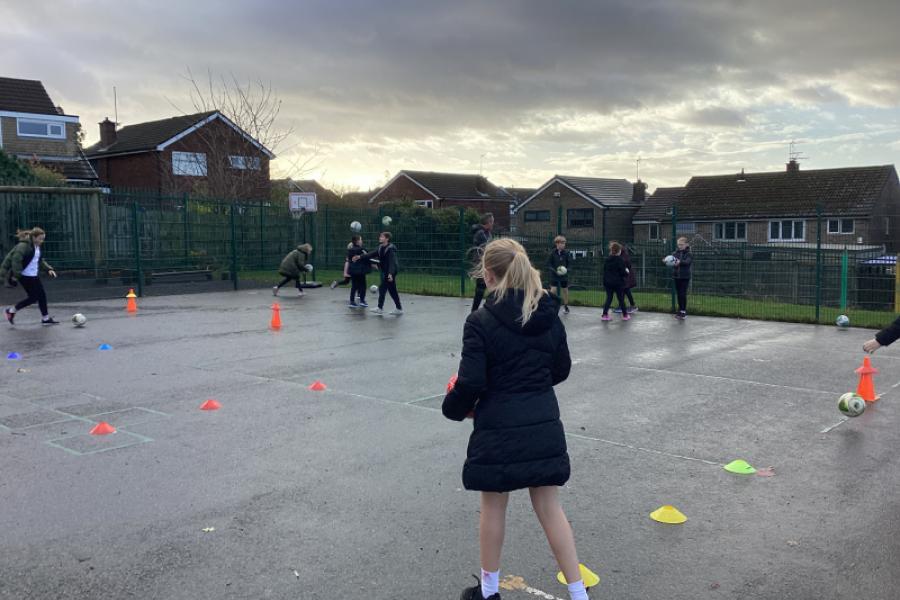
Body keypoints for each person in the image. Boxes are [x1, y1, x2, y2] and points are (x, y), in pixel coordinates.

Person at [443, 238, 589, 600]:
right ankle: (578, 593)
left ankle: (489, 592)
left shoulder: (480, 321)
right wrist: (531, 386)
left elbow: (472, 381)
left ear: (489, 276)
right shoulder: (549, 315)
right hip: (542, 422)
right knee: (550, 507)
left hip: (498, 426)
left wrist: (454, 406)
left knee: (493, 506)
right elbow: (561, 369)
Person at [2, 227, 59, 325]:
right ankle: (11, 311)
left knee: (42, 296)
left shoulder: (36, 246)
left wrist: (48, 269)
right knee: (34, 297)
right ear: (34, 237)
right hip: (24, 276)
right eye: (40, 238)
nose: (42, 241)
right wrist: (16, 275)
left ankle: (45, 318)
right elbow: (16, 260)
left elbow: (39, 261)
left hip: (34, 275)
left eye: (43, 239)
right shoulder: (23, 246)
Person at [355, 232, 402, 315]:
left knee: (382, 288)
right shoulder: (380, 247)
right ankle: (399, 308)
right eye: (380, 236)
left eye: (382, 237)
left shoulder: (390, 249)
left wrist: (390, 274)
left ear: (387, 239)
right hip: (386, 271)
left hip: (391, 272)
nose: (380, 238)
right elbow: (371, 254)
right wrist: (360, 256)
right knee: (392, 290)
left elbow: (392, 262)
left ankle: (380, 308)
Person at [470, 213, 494, 312]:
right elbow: (487, 247)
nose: (493, 224)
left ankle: (479, 310)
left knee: (487, 287)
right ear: (488, 222)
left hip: (486, 262)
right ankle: (474, 311)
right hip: (480, 263)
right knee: (481, 288)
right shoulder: (481, 233)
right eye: (492, 222)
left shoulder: (487, 233)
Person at [601, 241, 629, 321]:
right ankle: (625, 315)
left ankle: (604, 314)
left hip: (608, 282)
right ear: (618, 251)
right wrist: (627, 272)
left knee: (609, 298)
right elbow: (623, 272)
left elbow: (605, 270)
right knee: (620, 299)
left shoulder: (607, 259)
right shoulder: (620, 260)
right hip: (617, 283)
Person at [345, 235, 372, 308]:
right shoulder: (362, 249)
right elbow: (368, 256)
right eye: (360, 239)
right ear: (357, 241)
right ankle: (362, 301)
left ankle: (352, 302)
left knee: (354, 286)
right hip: (360, 271)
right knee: (363, 285)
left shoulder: (350, 250)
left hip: (353, 271)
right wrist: (374, 264)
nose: (361, 241)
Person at [670, 237, 693, 320]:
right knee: (679, 294)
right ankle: (680, 310)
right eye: (679, 244)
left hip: (685, 277)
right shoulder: (675, 253)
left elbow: (687, 262)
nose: (680, 246)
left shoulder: (689, 254)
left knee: (683, 294)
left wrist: (679, 262)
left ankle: (683, 311)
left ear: (686, 245)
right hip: (677, 276)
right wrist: (666, 260)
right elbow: (671, 260)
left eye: (681, 245)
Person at [547, 235, 571, 314]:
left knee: (565, 290)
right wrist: (555, 271)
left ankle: (566, 306)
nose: (564, 244)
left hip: (564, 275)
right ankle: (550, 305)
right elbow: (549, 264)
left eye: (564, 243)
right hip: (555, 274)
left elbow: (569, 264)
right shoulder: (552, 253)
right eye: (562, 243)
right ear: (557, 243)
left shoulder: (566, 253)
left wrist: (566, 270)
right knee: (553, 290)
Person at [614, 244, 638, 314]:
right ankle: (622, 306)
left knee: (626, 290)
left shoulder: (624, 256)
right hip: (623, 277)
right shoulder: (620, 256)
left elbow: (628, 265)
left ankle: (632, 305)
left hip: (627, 276)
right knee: (623, 291)